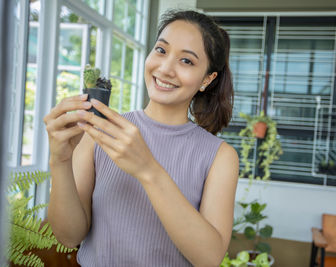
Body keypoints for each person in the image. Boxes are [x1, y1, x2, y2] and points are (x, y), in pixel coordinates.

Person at [44, 9, 239, 267]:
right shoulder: (101, 130)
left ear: (207, 79)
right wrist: (60, 160)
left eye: (187, 61)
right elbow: (68, 236)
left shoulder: (220, 157)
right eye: (161, 50)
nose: (166, 68)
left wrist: (147, 169)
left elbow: (209, 257)